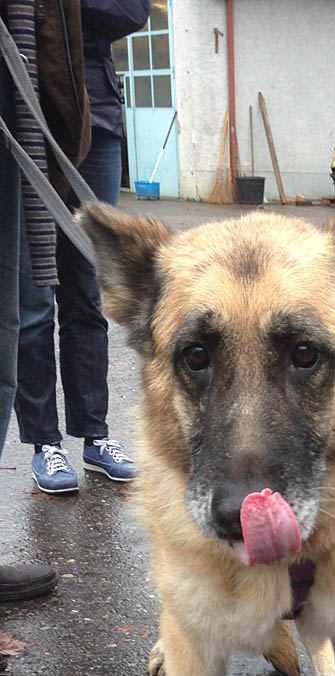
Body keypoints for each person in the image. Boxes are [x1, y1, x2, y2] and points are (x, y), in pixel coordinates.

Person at [14, 0, 149, 494]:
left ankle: (96, 434)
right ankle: (44, 443)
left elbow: (133, 12)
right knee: (33, 299)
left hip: (97, 123)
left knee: (88, 295)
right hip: (26, 120)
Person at [0, 0, 90, 600]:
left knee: (9, 328)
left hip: (24, 119)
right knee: (24, 317)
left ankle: (91, 436)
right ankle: (47, 443)